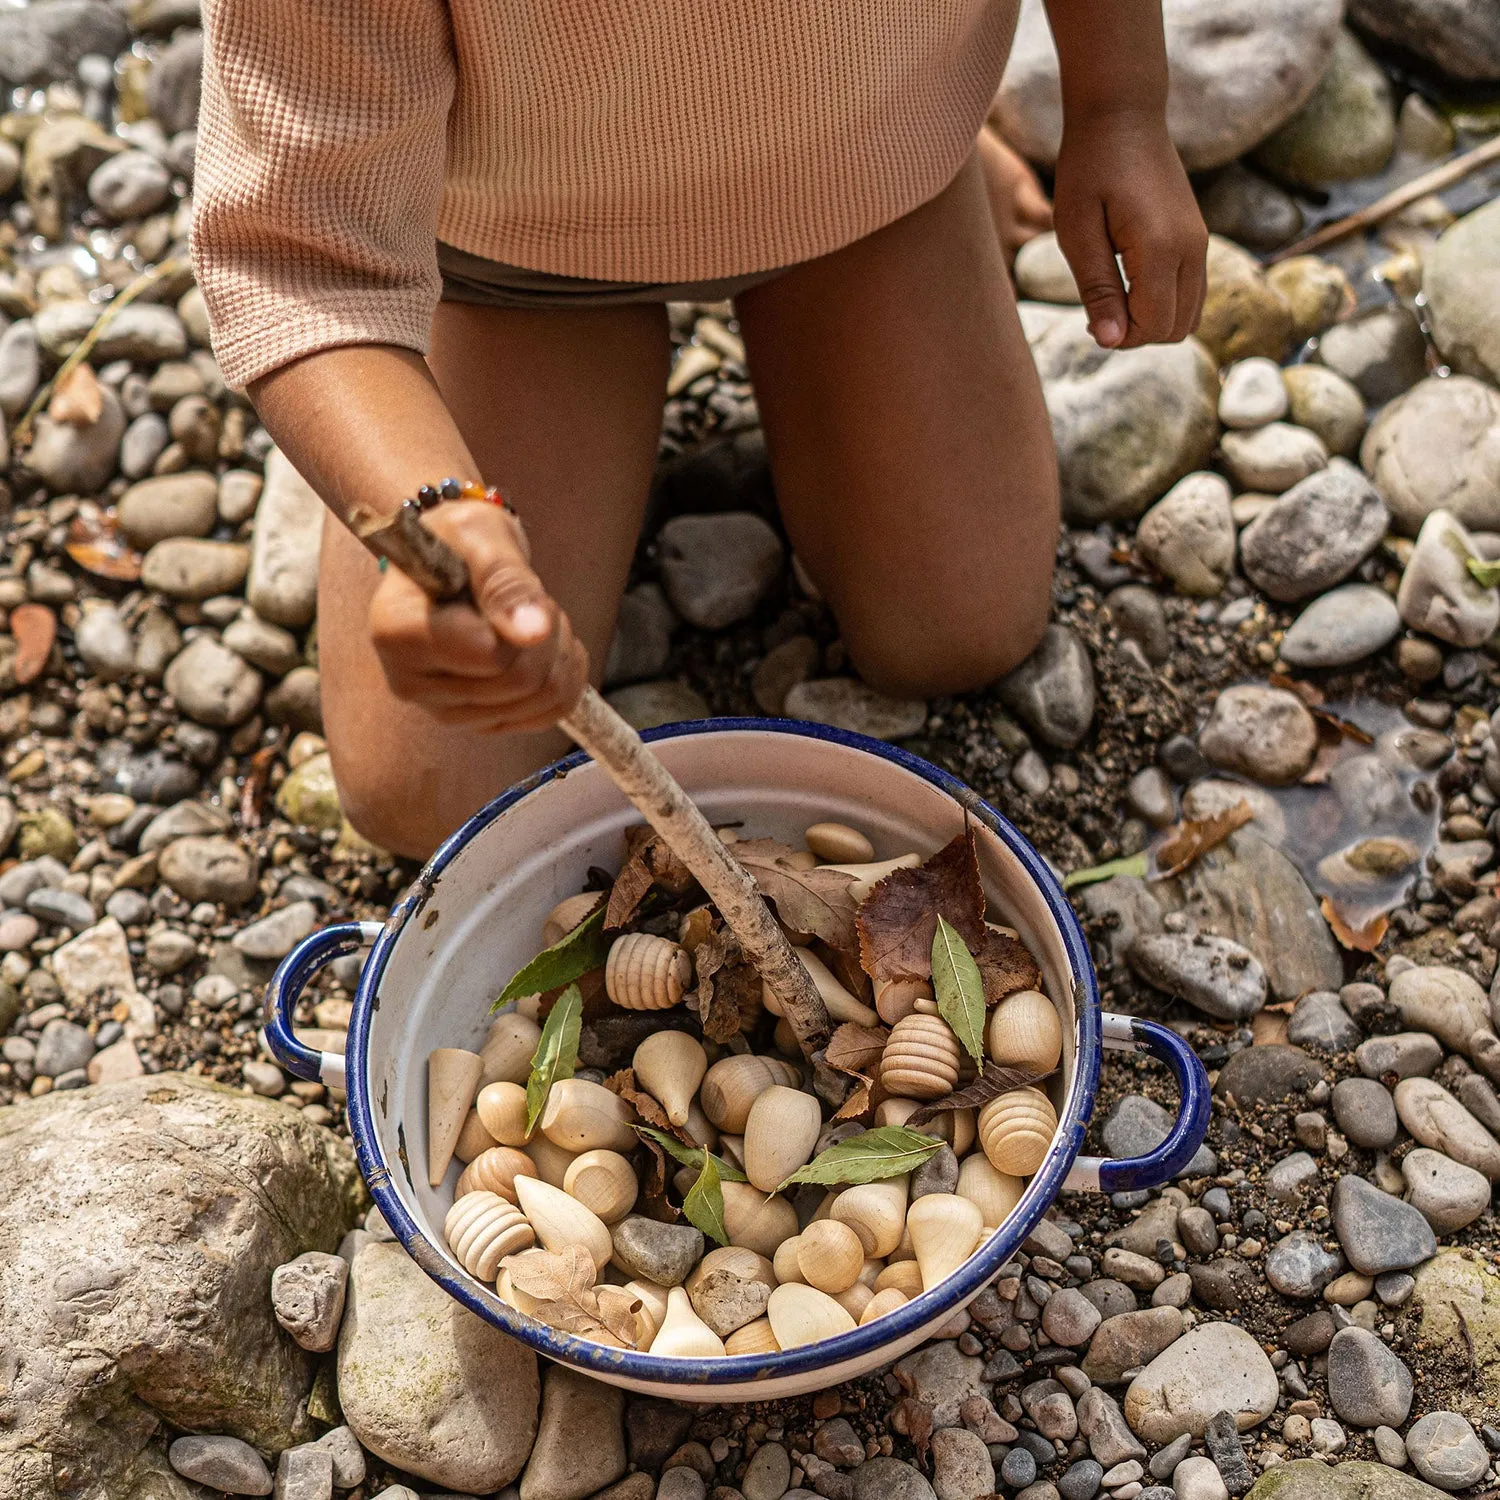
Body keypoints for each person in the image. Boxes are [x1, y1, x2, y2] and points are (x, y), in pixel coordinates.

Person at [193, 1, 1207, 859]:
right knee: (431, 789)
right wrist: (429, 508)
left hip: (868, 166)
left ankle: (947, 143)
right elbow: (300, 257)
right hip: (515, 247)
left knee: (963, 625)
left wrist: (1121, 106)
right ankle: (430, 362)